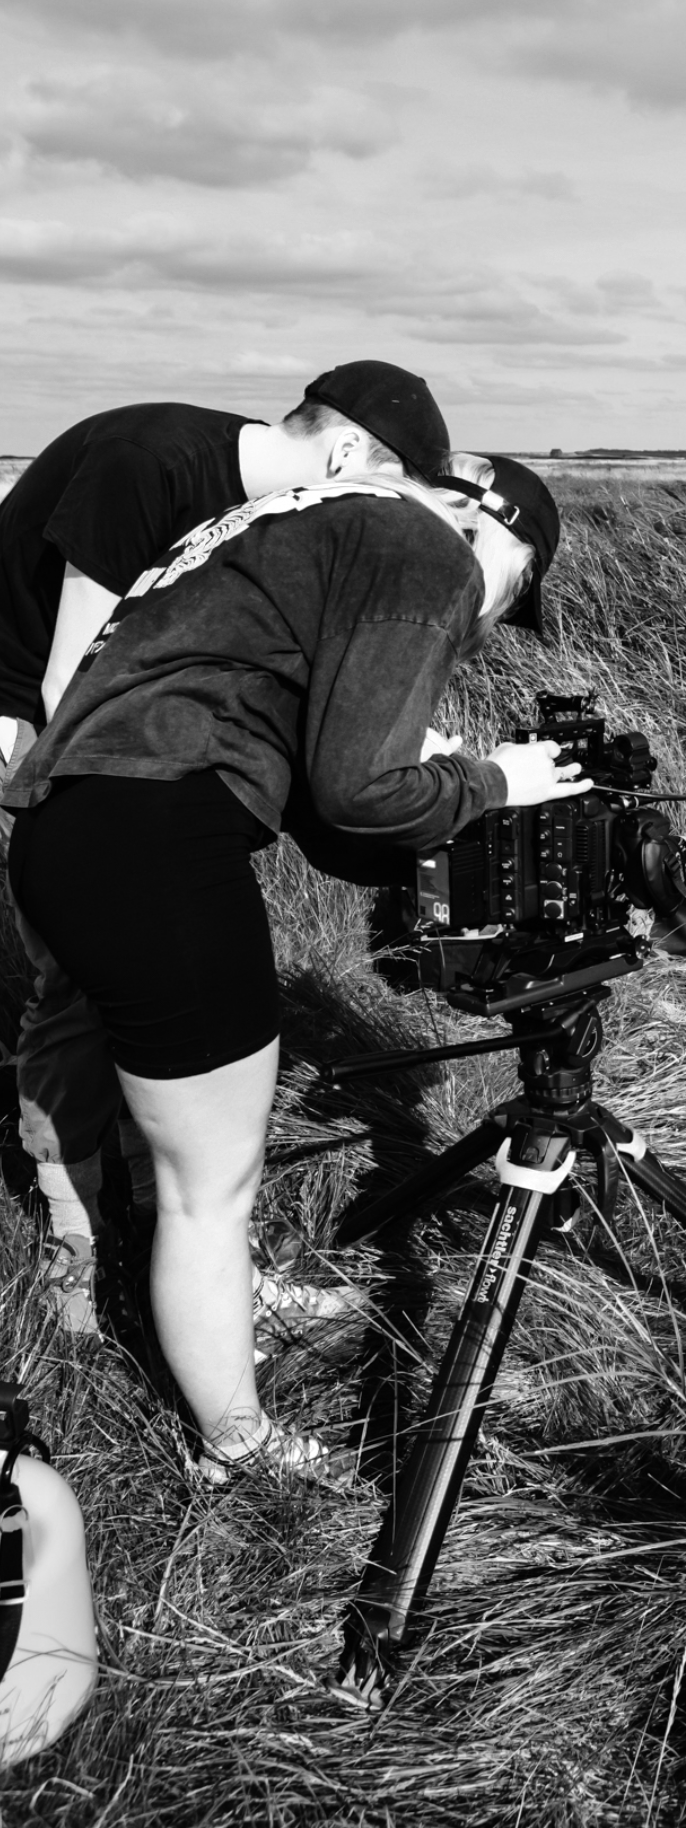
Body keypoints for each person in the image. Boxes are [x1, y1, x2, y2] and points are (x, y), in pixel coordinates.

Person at [2, 451, 581, 1488]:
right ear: (494, 529)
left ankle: (229, 1309)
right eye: (511, 591)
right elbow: (363, 797)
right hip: (156, 844)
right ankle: (237, 1442)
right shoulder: (425, 547)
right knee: (205, 1192)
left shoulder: (290, 516)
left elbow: (325, 806)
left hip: (72, 833)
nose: (487, 618)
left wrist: (427, 781)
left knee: (196, 1166)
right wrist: (495, 778)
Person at [0, 362, 454, 1330]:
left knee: (136, 990)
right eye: (384, 492)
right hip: (28, 716)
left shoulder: (258, 509)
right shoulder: (149, 459)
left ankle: (175, 1232)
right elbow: (72, 679)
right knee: (71, 988)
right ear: (344, 455)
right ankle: (75, 1233)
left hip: (102, 736)